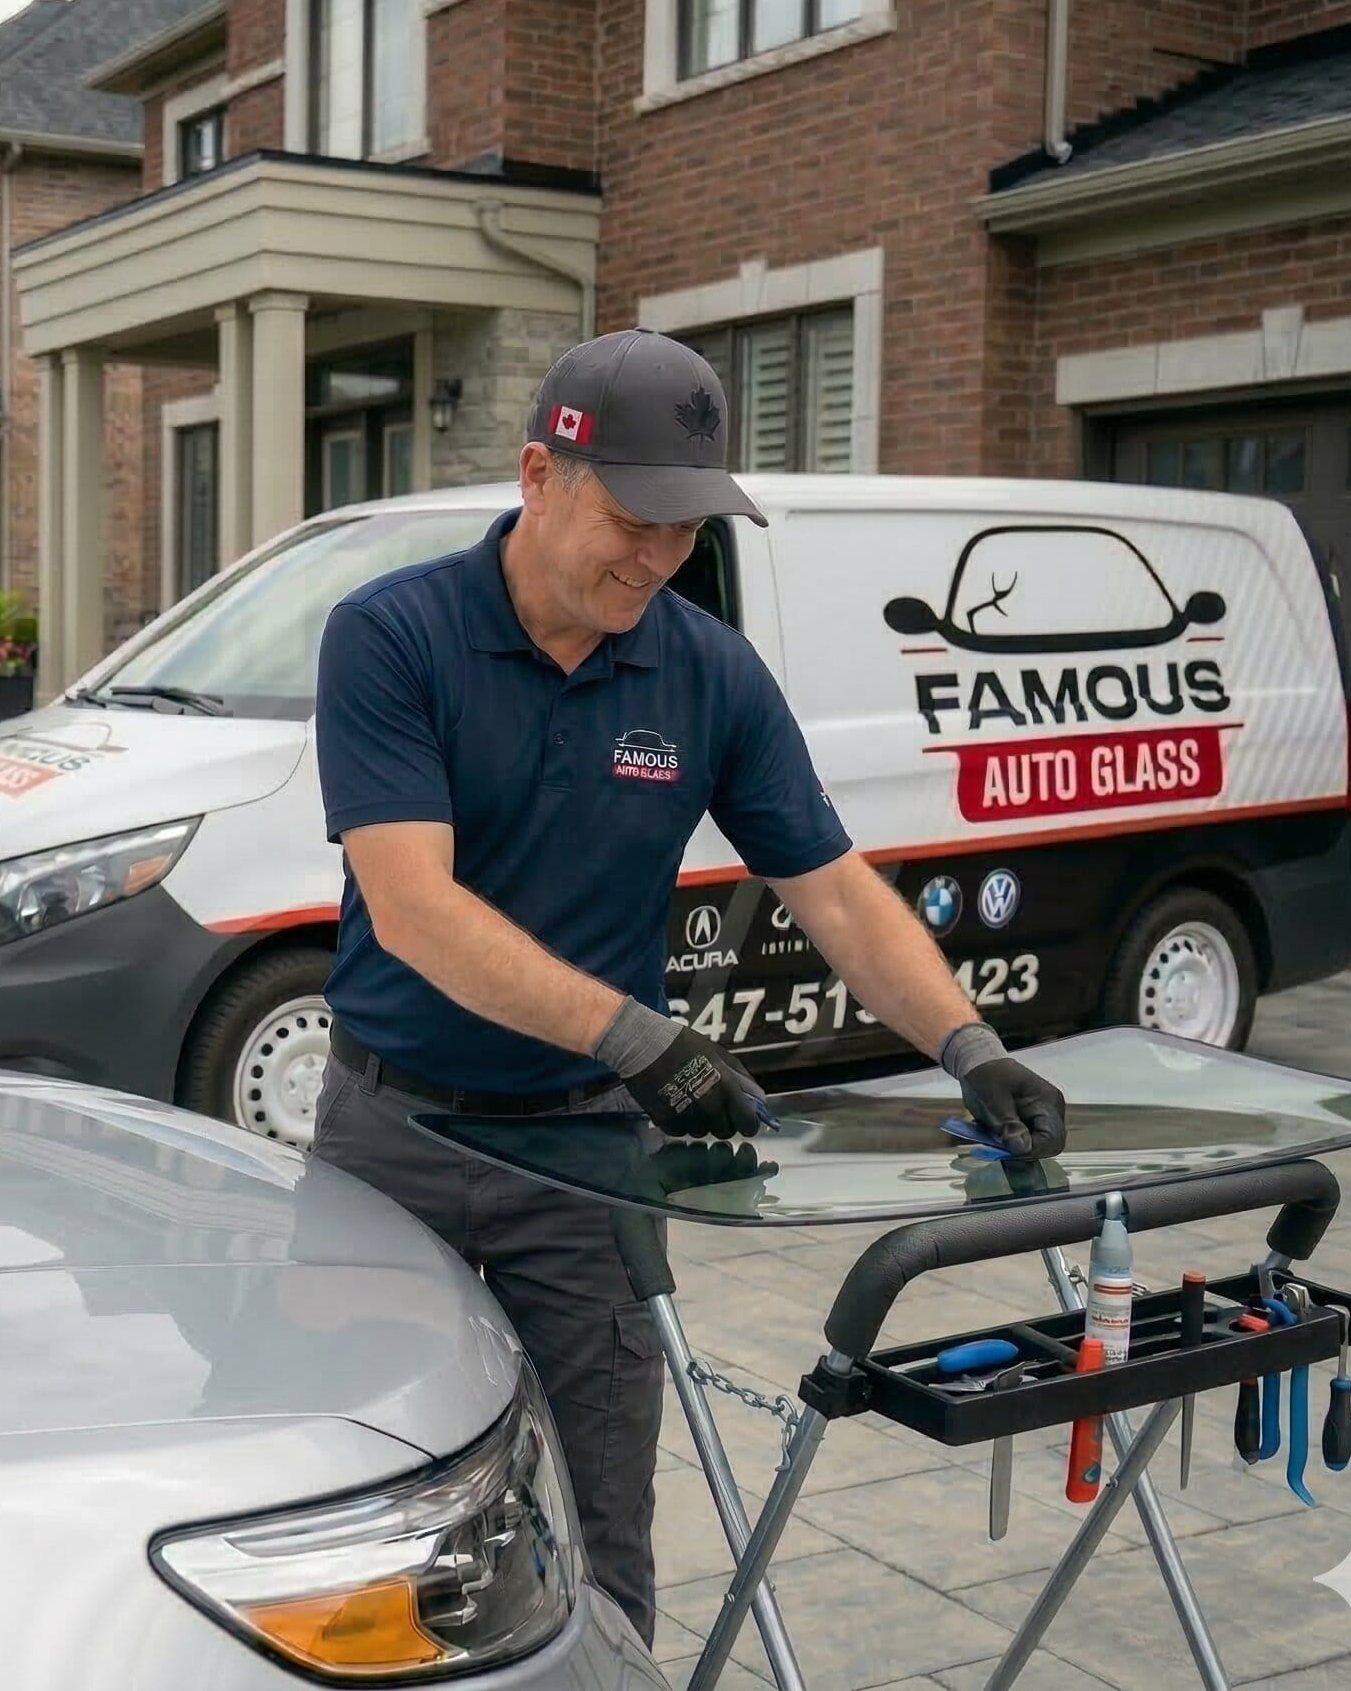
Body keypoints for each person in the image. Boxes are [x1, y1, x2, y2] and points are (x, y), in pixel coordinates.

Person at [306, 327, 1066, 1644]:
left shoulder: (703, 667)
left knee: (600, 1526)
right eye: (633, 519)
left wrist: (969, 1044)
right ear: (541, 474)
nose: (655, 559)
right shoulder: (395, 636)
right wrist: (643, 1039)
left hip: (585, 1160)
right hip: (393, 1140)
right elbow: (418, 912)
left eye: (683, 529)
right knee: (369, 1498)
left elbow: (831, 888)